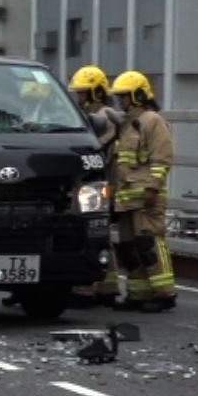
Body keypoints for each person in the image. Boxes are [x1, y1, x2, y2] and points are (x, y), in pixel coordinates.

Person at [109, 70, 176, 313]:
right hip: (126, 199)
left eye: (125, 96)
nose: (121, 101)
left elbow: (162, 158)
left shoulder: (152, 121)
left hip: (146, 197)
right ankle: (138, 294)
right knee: (129, 247)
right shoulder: (127, 123)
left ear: (138, 95)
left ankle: (165, 293)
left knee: (149, 244)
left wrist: (152, 189)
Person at [67, 65, 123, 306]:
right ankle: (104, 287)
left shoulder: (107, 116)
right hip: (95, 180)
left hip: (101, 180)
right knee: (96, 233)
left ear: (95, 92)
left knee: (96, 233)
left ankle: (97, 288)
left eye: (82, 92)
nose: (78, 97)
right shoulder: (84, 114)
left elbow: (98, 145)